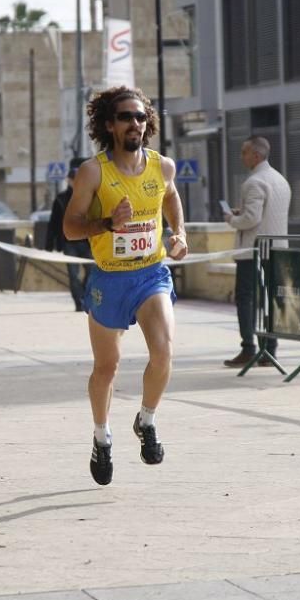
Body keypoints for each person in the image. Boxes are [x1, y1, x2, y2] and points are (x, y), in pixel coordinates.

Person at [63, 86, 188, 486]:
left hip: (150, 272)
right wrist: (106, 224)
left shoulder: (162, 167)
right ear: (109, 125)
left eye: (139, 116)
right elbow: (69, 227)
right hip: (109, 277)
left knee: (165, 352)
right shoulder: (93, 172)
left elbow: (171, 198)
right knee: (107, 366)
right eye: (125, 117)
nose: (134, 123)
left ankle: (146, 420)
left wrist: (179, 232)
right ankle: (102, 437)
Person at [222, 136, 292, 368]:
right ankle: (270, 349)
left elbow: (252, 219)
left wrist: (232, 218)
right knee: (271, 300)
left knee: (246, 299)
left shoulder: (254, 182)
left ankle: (248, 348)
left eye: (244, 152)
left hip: (254, 252)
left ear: (256, 155)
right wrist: (243, 212)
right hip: (278, 250)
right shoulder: (280, 180)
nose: (241, 157)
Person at [45, 159, 93, 311]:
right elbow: (53, 222)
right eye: (74, 179)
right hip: (68, 242)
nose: (76, 182)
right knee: (73, 275)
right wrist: (49, 244)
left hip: (88, 241)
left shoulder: (89, 196)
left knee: (91, 272)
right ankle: (79, 302)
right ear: (69, 180)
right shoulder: (60, 199)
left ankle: (85, 297)